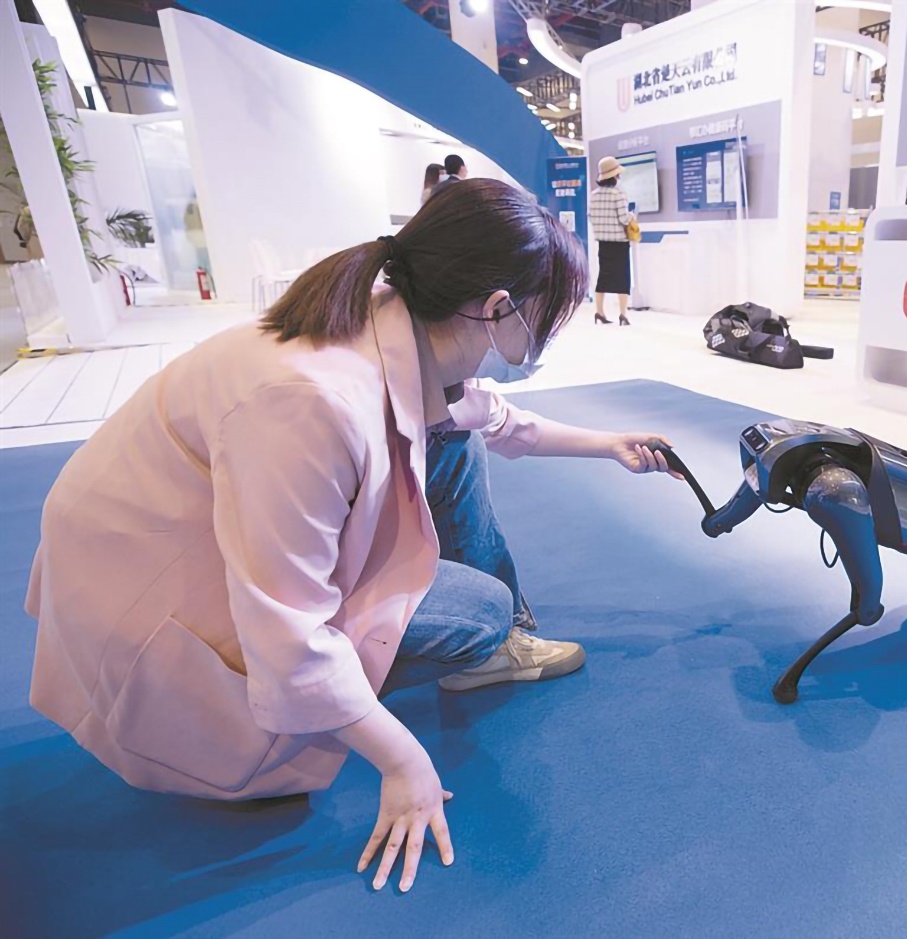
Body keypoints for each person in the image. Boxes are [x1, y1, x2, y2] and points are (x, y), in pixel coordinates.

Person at [26, 179, 681, 892]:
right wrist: (403, 761)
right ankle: (479, 645)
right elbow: (286, 638)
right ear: (496, 308)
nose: (543, 340)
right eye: (544, 319)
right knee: (481, 613)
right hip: (150, 601)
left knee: (456, 441)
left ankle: (491, 646)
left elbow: (491, 419)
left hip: (179, 532)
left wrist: (607, 443)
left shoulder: (389, 319)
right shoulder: (310, 401)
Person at [589, 155, 635, 326]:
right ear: (615, 176)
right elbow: (624, 219)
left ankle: (599, 312)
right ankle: (623, 314)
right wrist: (632, 215)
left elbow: (591, 217)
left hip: (603, 242)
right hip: (619, 242)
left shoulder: (593, 195)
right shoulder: (618, 194)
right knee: (623, 278)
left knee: (603, 276)